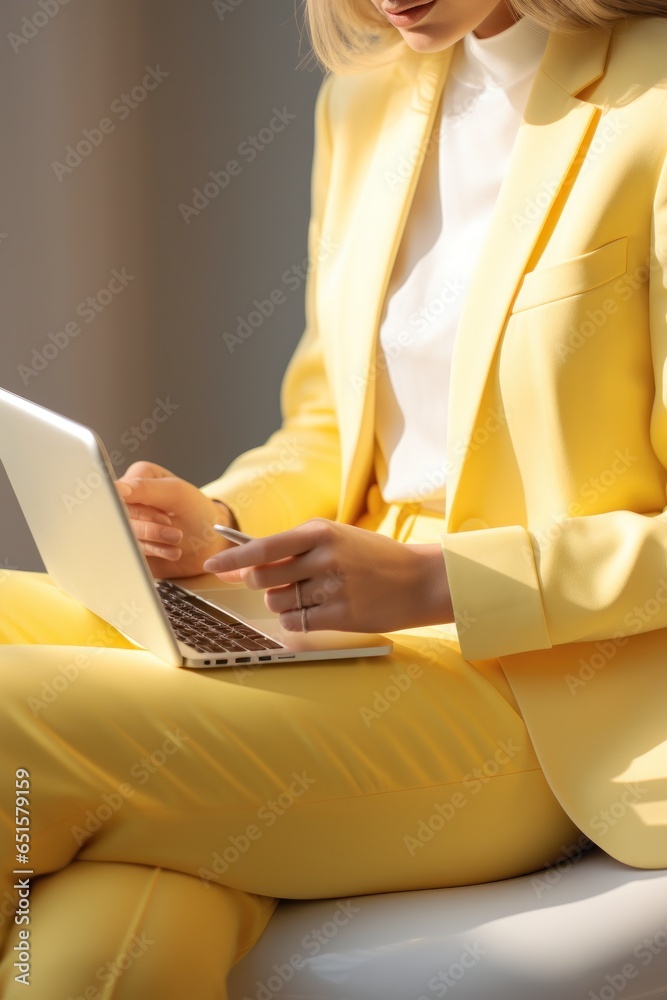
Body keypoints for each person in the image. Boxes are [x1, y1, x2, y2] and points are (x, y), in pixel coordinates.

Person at [2, 0, 667, 996]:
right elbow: (327, 429)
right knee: (105, 946)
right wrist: (218, 525)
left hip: (539, 686)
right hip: (319, 619)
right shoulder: (365, 103)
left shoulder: (652, 100)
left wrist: (438, 579)